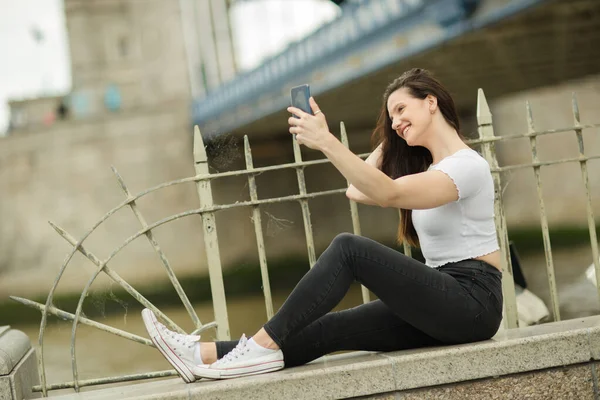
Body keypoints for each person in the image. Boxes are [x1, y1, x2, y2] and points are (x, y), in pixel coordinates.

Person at [141, 68, 504, 383]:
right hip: (445, 299)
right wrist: (392, 138)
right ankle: (204, 355)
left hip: (472, 301)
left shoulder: (467, 166)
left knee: (349, 249)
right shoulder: (430, 170)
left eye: (400, 109)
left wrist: (326, 141)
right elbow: (356, 190)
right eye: (390, 116)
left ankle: (258, 348)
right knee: (329, 329)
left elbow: (387, 192)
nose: (394, 120)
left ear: (431, 102)